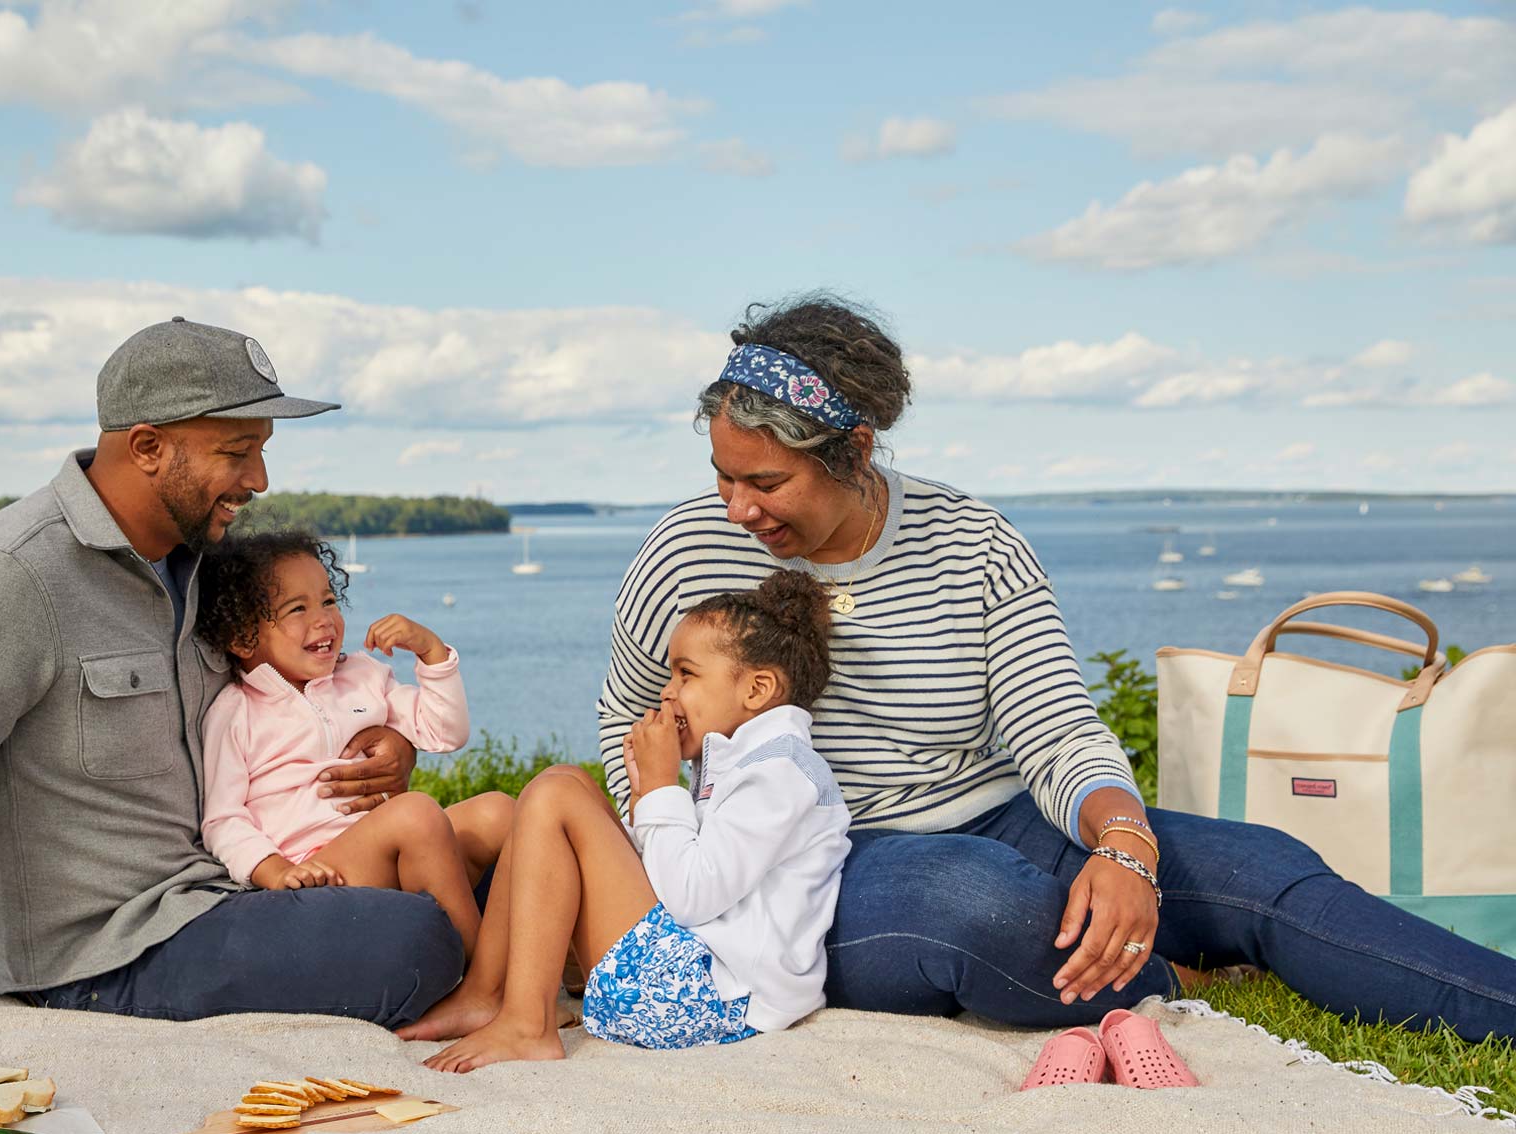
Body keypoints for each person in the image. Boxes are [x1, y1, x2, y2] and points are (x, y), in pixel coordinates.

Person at [597, 293, 1516, 1042]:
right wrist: (686, 863)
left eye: (765, 483)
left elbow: (1057, 729)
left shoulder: (975, 542)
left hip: (1007, 817)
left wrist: (1122, 845)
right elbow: (626, 731)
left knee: (1261, 867)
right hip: (813, 868)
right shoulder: (685, 553)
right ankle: (1166, 972)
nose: (735, 507)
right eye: (723, 475)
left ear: (856, 452)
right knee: (980, 903)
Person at [0, 318, 466, 1033]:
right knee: (418, 938)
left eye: (261, 451)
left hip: (236, 891)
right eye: (237, 453)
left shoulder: (210, 569)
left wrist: (389, 741)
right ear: (147, 447)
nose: (259, 481)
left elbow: (290, 704)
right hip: (106, 955)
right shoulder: (3, 580)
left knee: (490, 853)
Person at [408, 571, 853, 1071]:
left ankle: (526, 1024)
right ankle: (486, 994)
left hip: (714, 1000)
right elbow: (671, 877)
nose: (667, 692)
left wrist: (663, 785)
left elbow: (689, 898)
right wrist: (646, 795)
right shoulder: (738, 761)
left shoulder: (780, 775)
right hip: (691, 978)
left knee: (556, 794)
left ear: (758, 689)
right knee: (564, 780)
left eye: (687, 674)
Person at [197, 529, 511, 955]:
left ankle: (572, 966)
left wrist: (432, 653)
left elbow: (445, 732)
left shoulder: (363, 677)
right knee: (415, 812)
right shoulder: (236, 711)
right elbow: (222, 818)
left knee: (499, 812)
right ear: (243, 637)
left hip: (397, 850)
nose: (323, 618)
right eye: (297, 609)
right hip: (320, 873)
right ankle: (485, 983)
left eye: (328, 600)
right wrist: (273, 870)